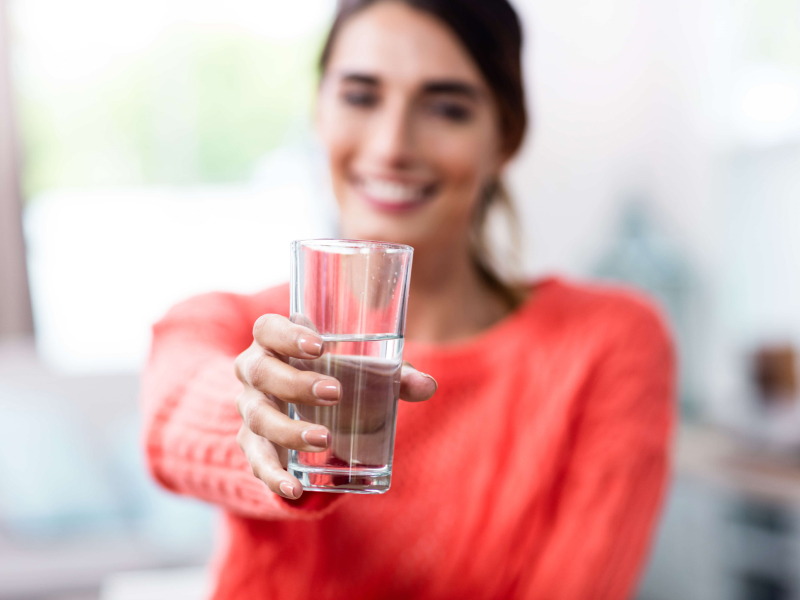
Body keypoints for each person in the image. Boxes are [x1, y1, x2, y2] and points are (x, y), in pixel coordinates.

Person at [140, 0, 675, 598]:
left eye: (447, 108)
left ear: (505, 137)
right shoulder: (232, 326)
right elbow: (174, 416)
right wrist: (260, 418)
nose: (393, 145)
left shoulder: (608, 340)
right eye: (361, 97)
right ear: (318, 111)